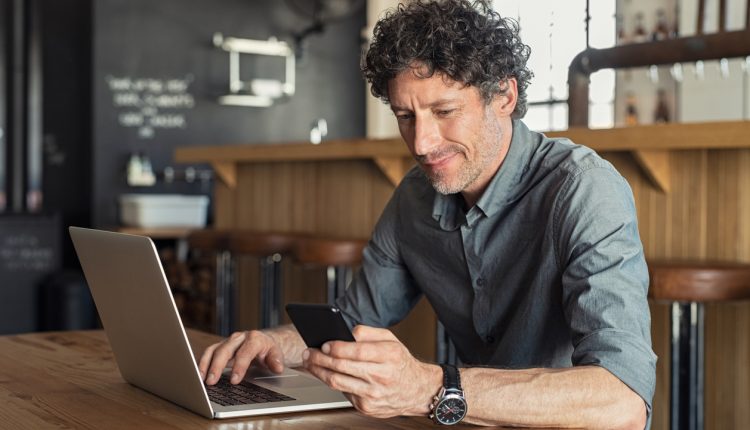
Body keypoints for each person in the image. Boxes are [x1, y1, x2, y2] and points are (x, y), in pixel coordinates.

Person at [199, 0, 656, 428]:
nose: (421, 143)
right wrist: (273, 344)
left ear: (505, 97)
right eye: (405, 116)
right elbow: (357, 321)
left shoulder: (584, 190)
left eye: (445, 111)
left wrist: (432, 388)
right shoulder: (415, 197)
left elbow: (624, 401)